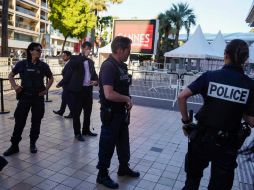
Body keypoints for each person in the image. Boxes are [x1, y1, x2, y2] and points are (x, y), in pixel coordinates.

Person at [178, 39, 254, 190]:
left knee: (192, 181)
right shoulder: (249, 85)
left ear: (225, 55)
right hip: (228, 144)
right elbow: (252, 121)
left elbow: (182, 96)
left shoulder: (210, 76)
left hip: (201, 138)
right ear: (245, 60)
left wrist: (186, 122)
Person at [96, 36, 140, 189]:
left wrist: (126, 100)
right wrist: (126, 99)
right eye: (128, 50)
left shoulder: (121, 66)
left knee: (123, 143)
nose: (130, 53)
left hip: (121, 113)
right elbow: (108, 93)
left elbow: (122, 88)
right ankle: (102, 174)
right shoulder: (109, 66)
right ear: (120, 50)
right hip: (111, 113)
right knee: (107, 144)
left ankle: (123, 168)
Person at [3, 42, 54, 156]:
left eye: (41, 50)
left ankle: (33, 144)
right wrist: (15, 86)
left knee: (36, 122)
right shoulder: (22, 64)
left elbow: (51, 78)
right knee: (19, 121)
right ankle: (14, 145)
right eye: (38, 50)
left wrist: (46, 89)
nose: (40, 52)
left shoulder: (43, 65)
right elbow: (10, 75)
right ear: (31, 51)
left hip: (38, 98)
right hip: (25, 96)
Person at [61, 41, 98, 142]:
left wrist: (95, 82)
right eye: (87, 48)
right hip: (77, 91)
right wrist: (83, 56)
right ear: (83, 49)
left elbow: (95, 75)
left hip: (87, 91)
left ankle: (86, 130)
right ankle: (77, 133)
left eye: (90, 49)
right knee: (76, 113)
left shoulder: (91, 62)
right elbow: (66, 69)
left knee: (88, 112)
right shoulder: (75, 59)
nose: (89, 51)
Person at [53, 50, 73, 118]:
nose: (63, 57)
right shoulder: (67, 63)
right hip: (66, 85)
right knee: (64, 98)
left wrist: (59, 84)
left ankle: (72, 113)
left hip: (68, 85)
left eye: (64, 56)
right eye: (62, 56)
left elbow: (67, 76)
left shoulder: (70, 64)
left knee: (68, 99)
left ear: (68, 56)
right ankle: (61, 111)